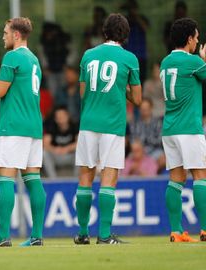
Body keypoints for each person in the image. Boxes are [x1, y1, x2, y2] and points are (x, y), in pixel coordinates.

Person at [0, 17, 46, 247]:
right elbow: (7, 85)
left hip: (13, 126)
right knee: (33, 180)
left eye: (5, 33)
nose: (3, 36)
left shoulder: (12, 56)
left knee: (5, 180)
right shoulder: (33, 59)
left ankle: (3, 236)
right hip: (33, 127)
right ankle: (36, 236)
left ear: (16, 35)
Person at [74, 13, 142, 245]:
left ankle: (83, 233)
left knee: (85, 178)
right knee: (109, 178)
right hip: (112, 125)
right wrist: (120, 89)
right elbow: (139, 99)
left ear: (104, 32)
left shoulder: (88, 55)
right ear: (125, 35)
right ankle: (104, 235)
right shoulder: (130, 58)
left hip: (88, 123)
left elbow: (83, 93)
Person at [159, 18, 206, 242]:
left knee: (176, 179)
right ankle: (205, 228)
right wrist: (204, 60)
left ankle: (176, 231)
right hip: (189, 128)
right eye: (196, 37)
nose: (198, 41)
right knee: (200, 176)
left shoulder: (165, 62)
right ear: (189, 39)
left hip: (169, 129)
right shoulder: (193, 62)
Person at [43, 107, 78, 178]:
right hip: (56, 155)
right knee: (44, 153)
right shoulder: (51, 127)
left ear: (68, 116)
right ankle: (53, 179)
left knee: (81, 152)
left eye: (62, 116)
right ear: (55, 118)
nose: (60, 118)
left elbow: (79, 143)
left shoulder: (74, 126)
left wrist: (67, 149)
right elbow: (45, 143)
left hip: (70, 156)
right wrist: (54, 149)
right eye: (58, 116)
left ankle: (76, 179)